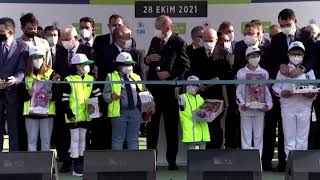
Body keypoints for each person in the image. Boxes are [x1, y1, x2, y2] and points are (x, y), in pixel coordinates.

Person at [145, 15, 189, 170]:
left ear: (167, 27)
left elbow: (185, 66)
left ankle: (172, 162)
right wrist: (148, 59)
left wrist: (169, 74)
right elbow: (147, 60)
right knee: (151, 129)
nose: (156, 31)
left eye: (158, 28)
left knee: (171, 129)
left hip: (170, 93)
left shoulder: (179, 42)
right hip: (154, 93)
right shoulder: (155, 41)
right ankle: (151, 161)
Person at [54, 25, 95, 172]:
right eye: (62, 40)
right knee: (65, 135)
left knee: (82, 137)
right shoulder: (59, 52)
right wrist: (57, 76)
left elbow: (94, 75)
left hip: (85, 105)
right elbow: (56, 70)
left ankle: (81, 163)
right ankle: (67, 161)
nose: (64, 42)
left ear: (75, 38)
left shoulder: (88, 51)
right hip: (66, 102)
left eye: (67, 39)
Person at [272, 41, 316, 160]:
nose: (296, 56)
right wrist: (282, 93)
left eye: (299, 54)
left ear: (303, 54)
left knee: (302, 137)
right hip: (287, 107)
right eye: (293, 53)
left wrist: (312, 94)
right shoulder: (283, 70)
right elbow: (275, 87)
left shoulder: (308, 71)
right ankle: (290, 164)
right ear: (288, 54)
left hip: (304, 107)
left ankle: (301, 164)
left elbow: (315, 87)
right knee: (289, 137)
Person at [62, 53, 102, 177]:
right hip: (73, 115)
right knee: (74, 140)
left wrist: (97, 109)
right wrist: (68, 112)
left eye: (86, 64)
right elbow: (64, 99)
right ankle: (75, 166)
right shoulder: (68, 79)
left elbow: (97, 95)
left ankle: (81, 163)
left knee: (82, 139)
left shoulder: (91, 79)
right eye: (83, 64)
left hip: (86, 116)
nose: (86, 66)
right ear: (76, 66)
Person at [103, 52, 147, 150]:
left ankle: (134, 163)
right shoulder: (110, 77)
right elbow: (105, 94)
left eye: (130, 64)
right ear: (119, 65)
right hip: (119, 112)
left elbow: (144, 91)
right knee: (118, 139)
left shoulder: (136, 77)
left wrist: (150, 102)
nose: (129, 66)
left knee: (133, 139)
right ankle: (117, 164)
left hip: (135, 112)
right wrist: (111, 96)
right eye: (126, 64)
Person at [236, 46, 273, 157]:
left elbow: (266, 92)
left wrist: (267, 106)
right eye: (252, 56)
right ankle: (247, 162)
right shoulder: (241, 73)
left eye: (257, 56)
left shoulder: (264, 73)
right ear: (247, 57)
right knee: (246, 137)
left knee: (258, 137)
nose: (255, 58)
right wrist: (242, 104)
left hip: (259, 111)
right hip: (246, 111)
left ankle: (258, 163)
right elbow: (239, 92)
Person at [0, 17, 29, 151]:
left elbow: (22, 70)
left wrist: (15, 80)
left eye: (1, 31)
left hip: (13, 94)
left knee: (14, 128)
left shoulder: (22, 47)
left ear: (10, 31)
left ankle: (14, 160)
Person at [23, 46, 58, 152]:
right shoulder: (25, 74)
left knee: (46, 141)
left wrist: (53, 96)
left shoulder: (51, 73)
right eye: (34, 57)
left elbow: (57, 91)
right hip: (30, 112)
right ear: (30, 59)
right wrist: (27, 93)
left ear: (44, 58)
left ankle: (46, 167)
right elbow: (19, 94)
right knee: (31, 141)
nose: (37, 59)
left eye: (40, 57)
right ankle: (32, 166)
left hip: (47, 112)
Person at [178, 75, 210, 150]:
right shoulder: (183, 97)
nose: (190, 86)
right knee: (192, 158)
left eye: (193, 85)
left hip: (203, 135)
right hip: (191, 136)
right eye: (188, 84)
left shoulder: (201, 99)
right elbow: (178, 98)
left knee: (202, 159)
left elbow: (205, 114)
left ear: (198, 87)